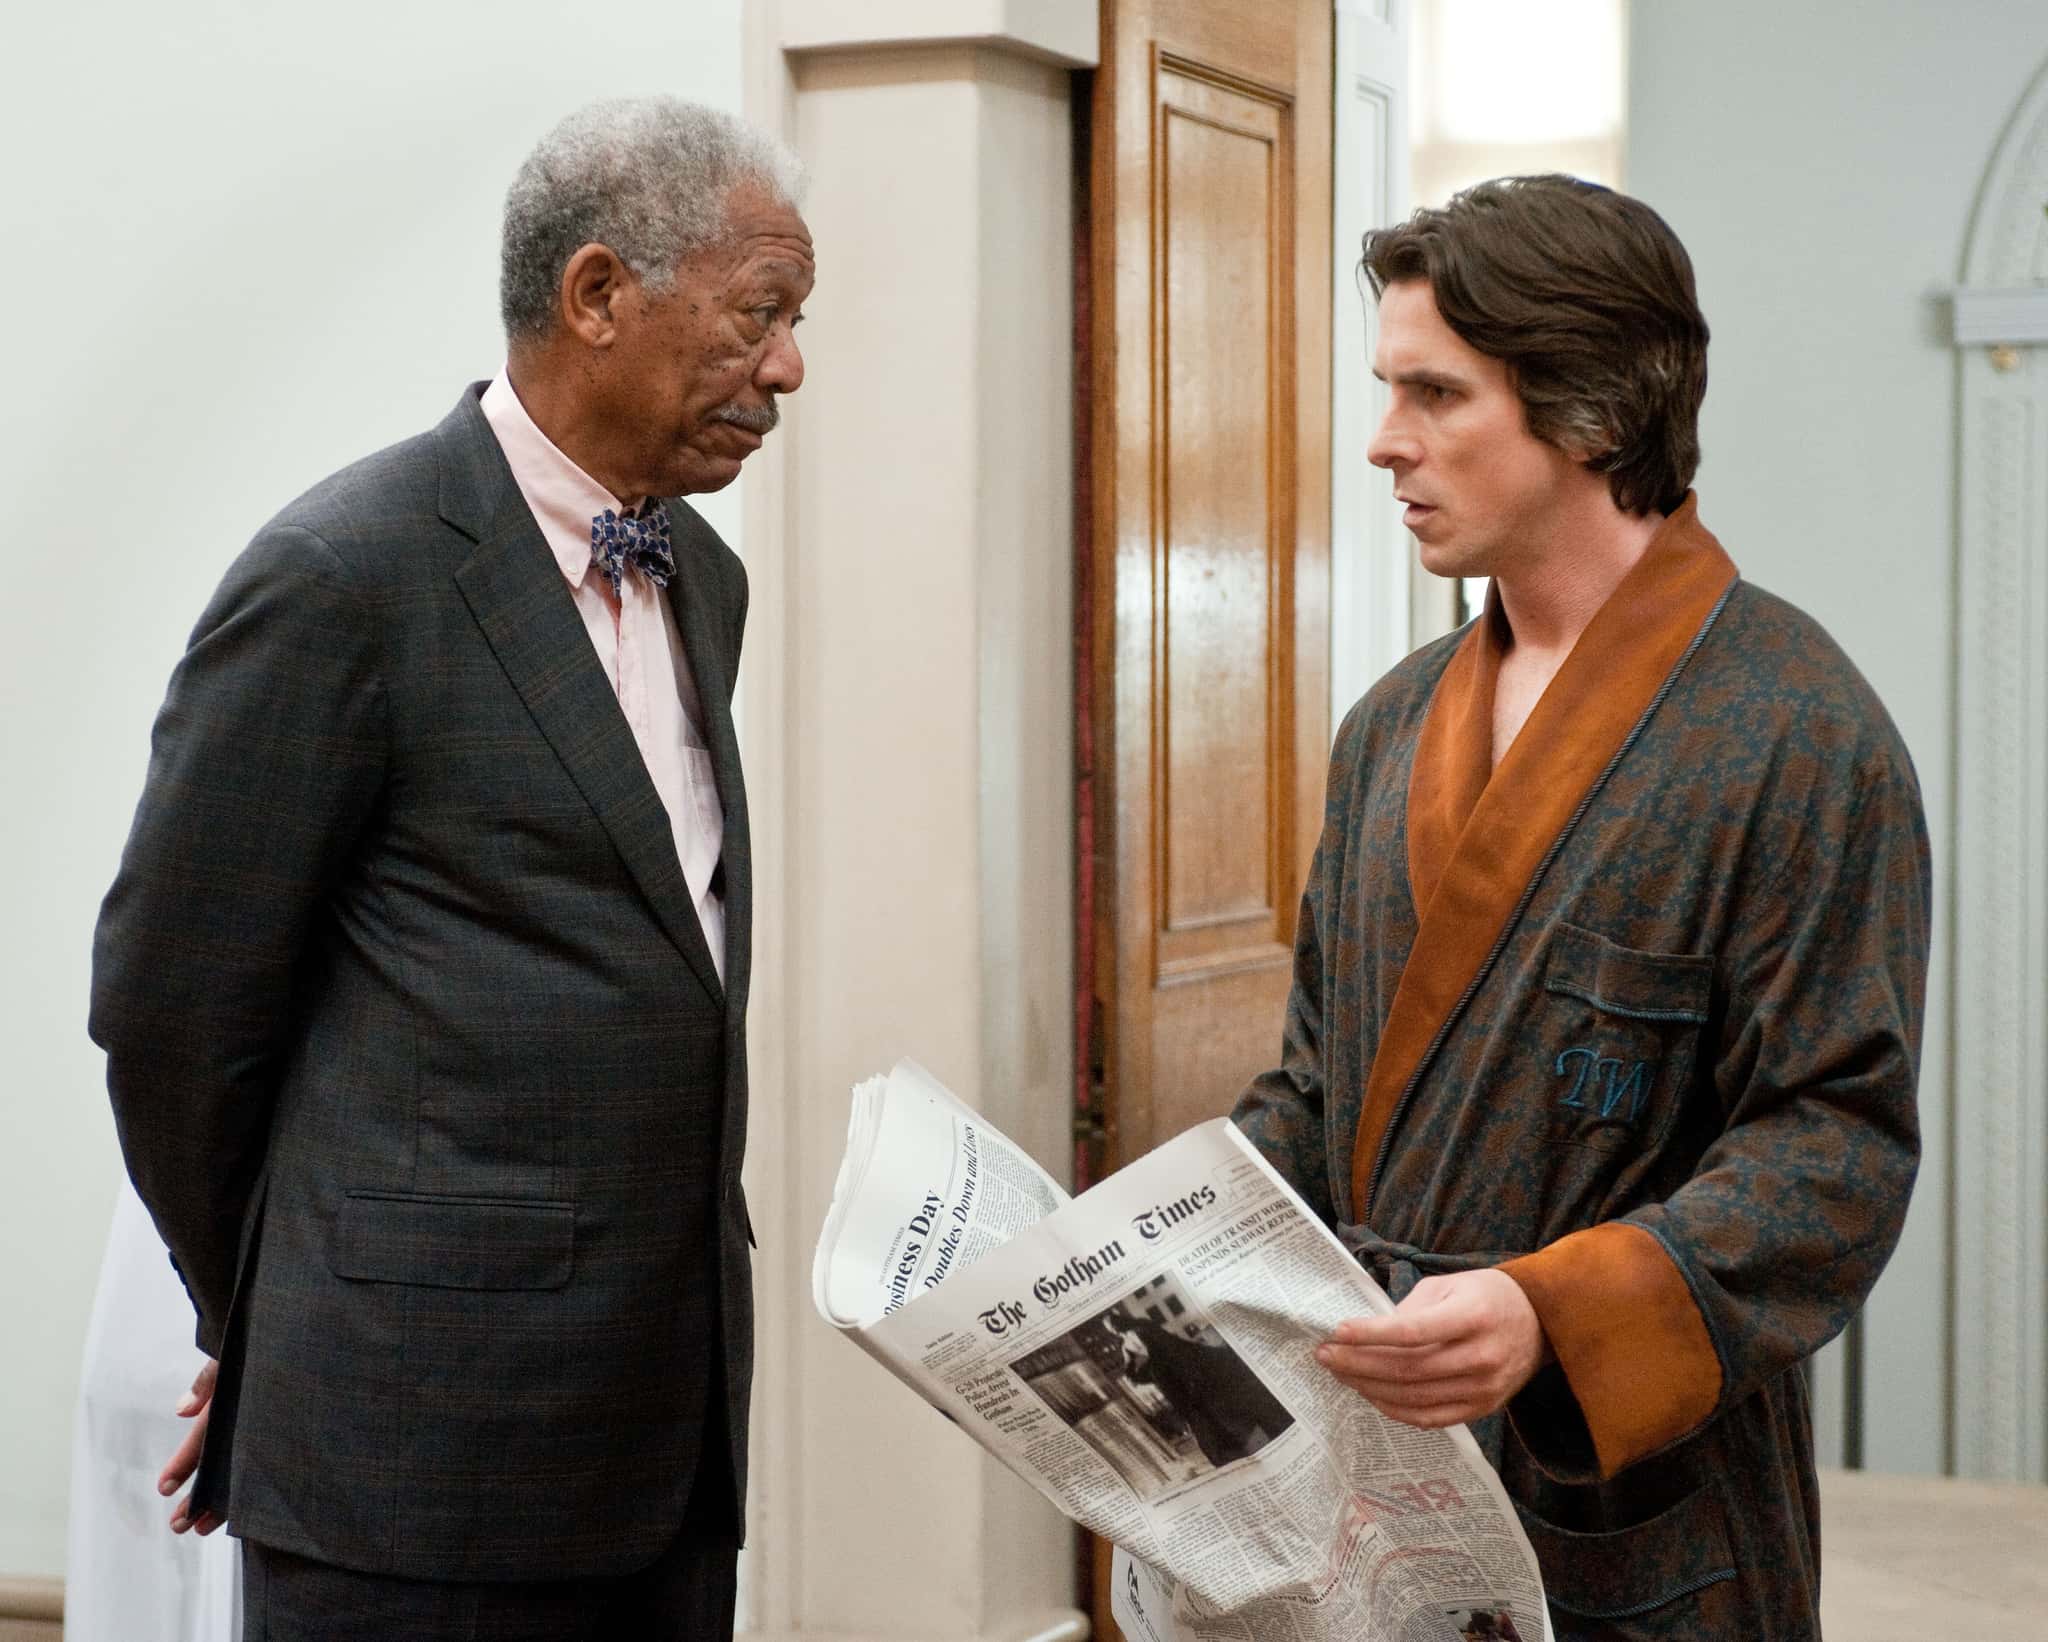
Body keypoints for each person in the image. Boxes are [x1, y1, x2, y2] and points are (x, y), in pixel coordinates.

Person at [88, 95, 811, 1638]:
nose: (790, 367)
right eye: (761, 315)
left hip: (667, 1458)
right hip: (408, 1476)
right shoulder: (344, 575)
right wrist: (273, 1308)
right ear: (599, 294)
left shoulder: (706, 580)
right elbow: (170, 1009)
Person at [1232, 175, 1928, 1640]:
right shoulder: (1386, 729)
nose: (1383, 442)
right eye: (1388, 389)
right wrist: (1150, 1243)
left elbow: (1834, 1146)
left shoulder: (1797, 731)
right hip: (1375, 1490)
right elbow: (1314, 1085)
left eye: (1436, 393)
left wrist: (1554, 1309)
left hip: (1637, 1519)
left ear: (1596, 410)